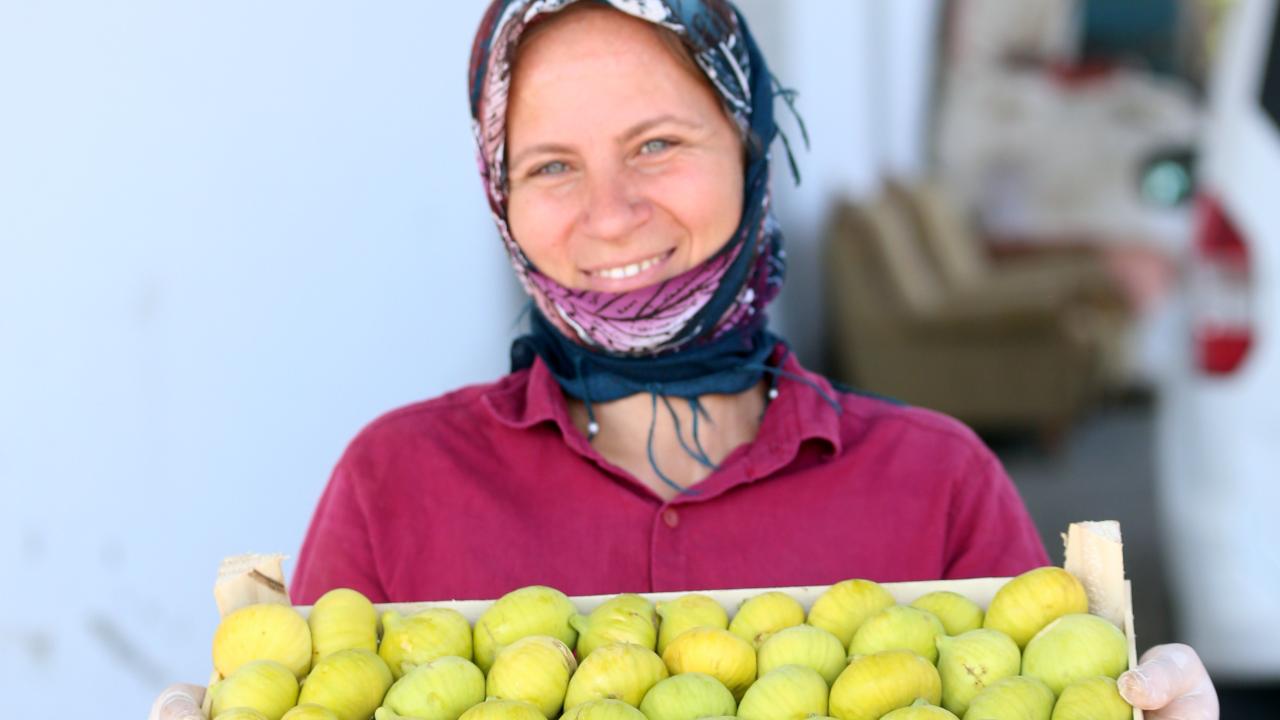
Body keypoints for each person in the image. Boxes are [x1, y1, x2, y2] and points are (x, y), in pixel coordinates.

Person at [150, 1, 1218, 719]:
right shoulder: (397, 484)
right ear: (500, 198)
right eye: (551, 165)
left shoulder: (934, 483)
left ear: (747, 153)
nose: (610, 214)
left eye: (656, 143)